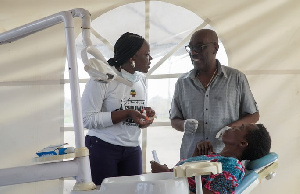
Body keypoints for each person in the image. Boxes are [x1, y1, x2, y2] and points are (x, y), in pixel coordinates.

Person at [170, 29, 259, 159]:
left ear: (215, 48)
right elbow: (174, 120)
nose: (193, 52)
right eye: (191, 48)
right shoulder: (182, 83)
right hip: (191, 159)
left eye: (200, 47)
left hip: (225, 157)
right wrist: (184, 125)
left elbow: (254, 115)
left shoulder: (236, 78)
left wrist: (231, 128)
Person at [82, 32, 155, 185]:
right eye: (147, 54)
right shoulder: (102, 78)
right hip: (102, 147)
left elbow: (132, 113)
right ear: (132, 58)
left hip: (132, 150)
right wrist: (127, 113)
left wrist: (144, 117)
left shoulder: (140, 80)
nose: (151, 59)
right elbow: (87, 119)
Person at [151, 123, 271, 194]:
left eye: (239, 128)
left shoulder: (232, 168)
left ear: (243, 143)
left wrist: (166, 177)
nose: (232, 127)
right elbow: (193, 181)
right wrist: (197, 156)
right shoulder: (217, 158)